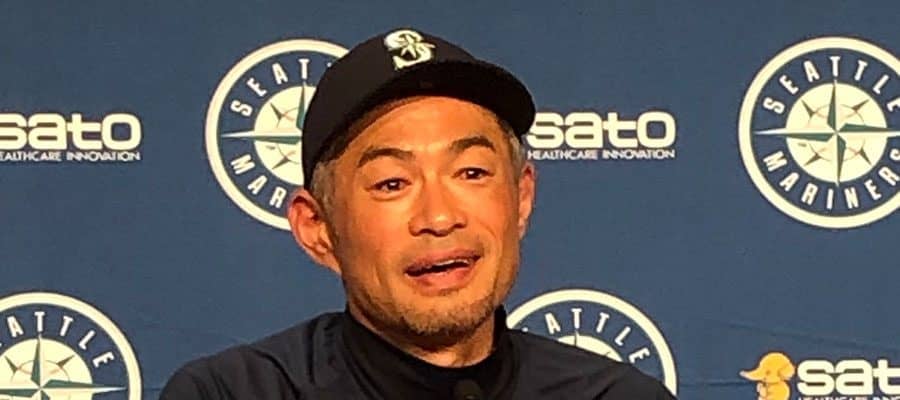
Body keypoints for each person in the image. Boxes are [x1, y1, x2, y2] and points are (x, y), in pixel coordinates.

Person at [161, 28, 676, 400]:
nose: (440, 216)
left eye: (471, 173)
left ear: (521, 198)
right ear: (316, 229)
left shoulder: (615, 395)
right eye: (392, 183)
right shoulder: (232, 392)